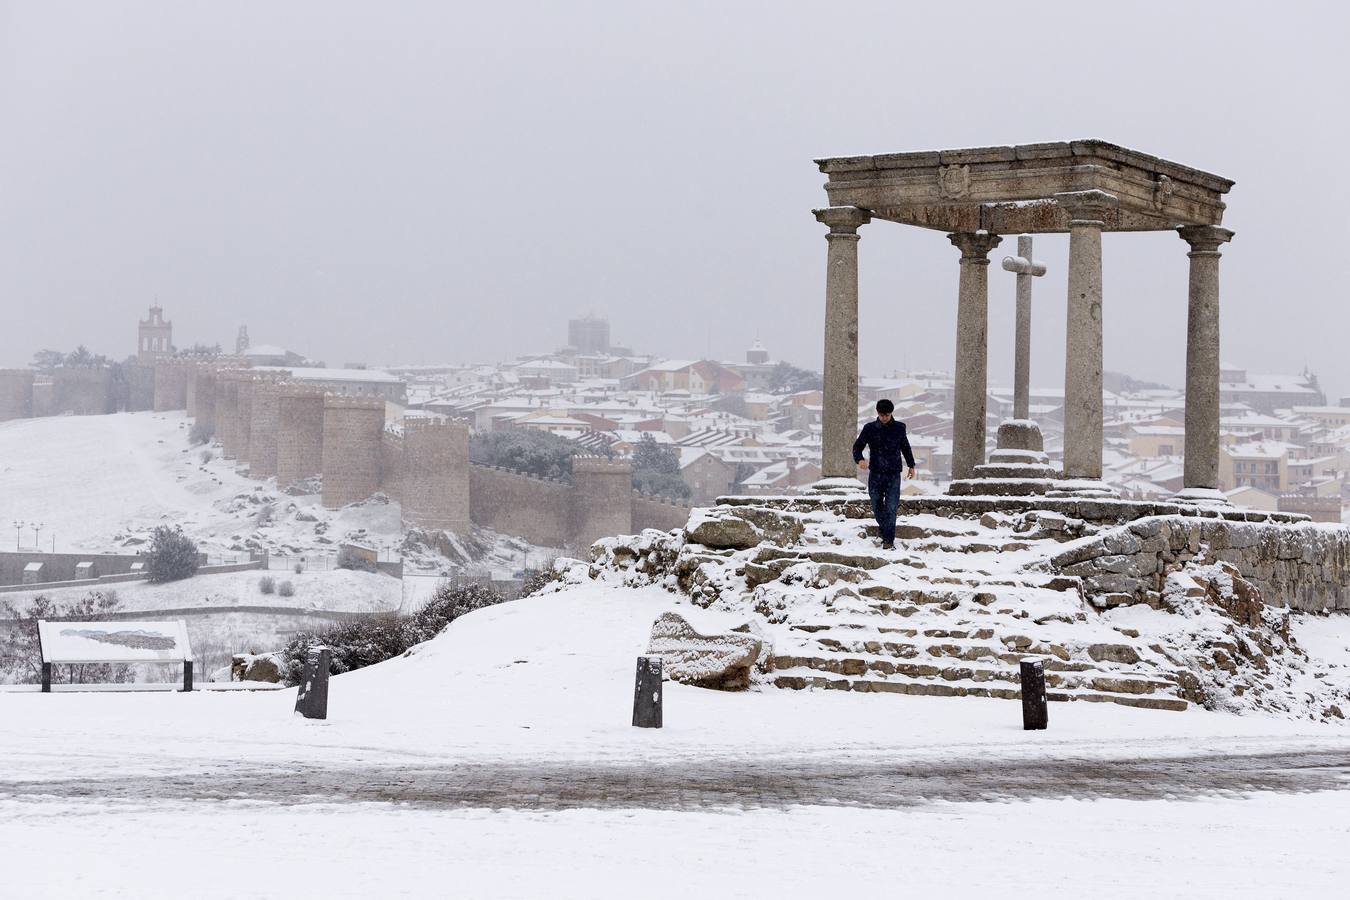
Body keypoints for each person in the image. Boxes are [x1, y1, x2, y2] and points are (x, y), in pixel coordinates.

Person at [852, 398, 916, 550]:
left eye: (886, 415)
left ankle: (888, 540)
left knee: (891, 506)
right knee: (876, 504)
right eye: (881, 415)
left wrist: (911, 465)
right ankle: (885, 527)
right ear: (878, 413)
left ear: (891, 413)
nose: (884, 418)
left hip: (893, 473)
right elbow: (857, 447)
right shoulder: (869, 428)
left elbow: (905, 448)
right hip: (876, 473)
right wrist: (859, 460)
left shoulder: (900, 428)